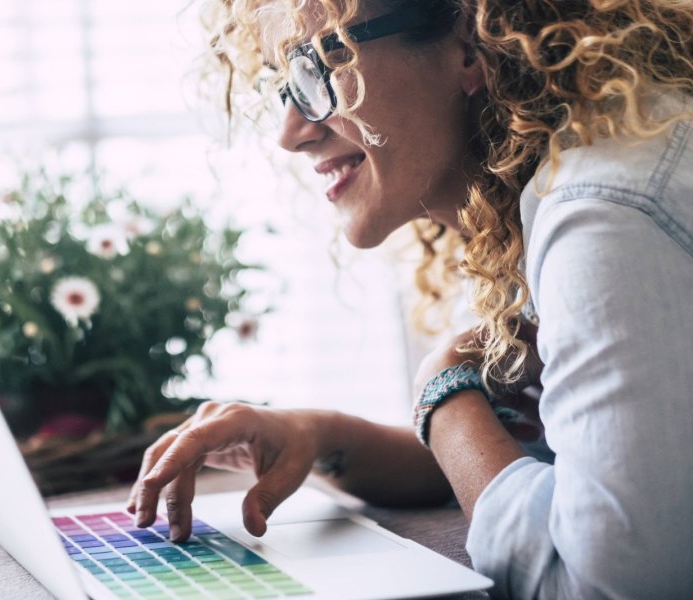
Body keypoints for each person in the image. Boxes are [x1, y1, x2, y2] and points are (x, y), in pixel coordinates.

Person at [127, 0, 693, 597]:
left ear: (473, 48)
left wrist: (443, 388)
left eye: (318, 68)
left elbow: (598, 584)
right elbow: (505, 455)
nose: (291, 133)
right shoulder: (512, 200)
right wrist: (318, 435)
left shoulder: (604, 218)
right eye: (284, 85)